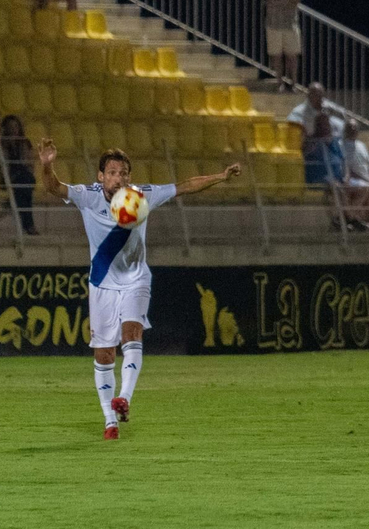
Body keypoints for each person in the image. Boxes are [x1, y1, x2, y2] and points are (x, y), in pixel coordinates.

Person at [37, 139, 241, 438]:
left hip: (136, 278)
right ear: (101, 176)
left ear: (128, 177)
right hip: (102, 283)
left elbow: (184, 186)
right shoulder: (87, 196)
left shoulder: (139, 195)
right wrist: (46, 165)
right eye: (112, 173)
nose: (118, 178)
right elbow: (54, 187)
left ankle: (124, 398)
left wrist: (220, 177)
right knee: (104, 355)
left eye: (123, 173)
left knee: (132, 333)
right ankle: (110, 421)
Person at [0, 115, 37, 235]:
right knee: (26, 191)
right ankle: (29, 226)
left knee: (25, 182)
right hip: (8, 177)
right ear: (6, 129)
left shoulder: (25, 143)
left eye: (16, 126)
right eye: (10, 127)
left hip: (24, 176)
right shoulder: (1, 143)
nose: (14, 129)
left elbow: (31, 163)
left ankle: (10, 204)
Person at [264, 0, 302, 90]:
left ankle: (293, 83)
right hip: (274, 24)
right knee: (277, 55)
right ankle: (279, 82)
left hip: (290, 24)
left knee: (292, 55)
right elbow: (271, 0)